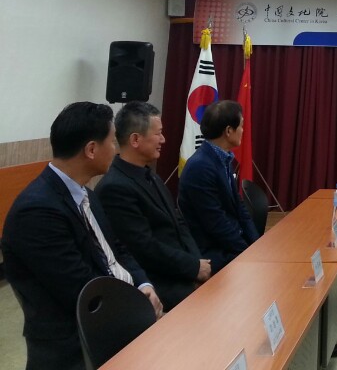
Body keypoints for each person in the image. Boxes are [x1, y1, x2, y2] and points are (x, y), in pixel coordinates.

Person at [2, 102, 162, 370]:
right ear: (91, 150)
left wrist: (143, 284)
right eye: (112, 141)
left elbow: (117, 250)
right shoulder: (37, 211)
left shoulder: (86, 193)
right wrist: (139, 307)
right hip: (76, 340)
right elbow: (82, 291)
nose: (116, 149)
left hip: (115, 311)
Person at [95, 101, 211, 310]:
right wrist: (192, 268)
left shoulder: (150, 175)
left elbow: (179, 223)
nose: (163, 139)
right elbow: (144, 248)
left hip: (181, 269)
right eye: (158, 134)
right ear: (135, 139)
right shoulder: (114, 188)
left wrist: (197, 264)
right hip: (156, 281)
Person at [178, 99, 260, 272]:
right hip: (212, 250)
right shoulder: (200, 167)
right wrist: (248, 253)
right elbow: (216, 223)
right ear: (229, 131)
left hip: (229, 242)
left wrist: (257, 244)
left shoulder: (221, 158)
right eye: (241, 126)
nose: (243, 130)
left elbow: (239, 207)